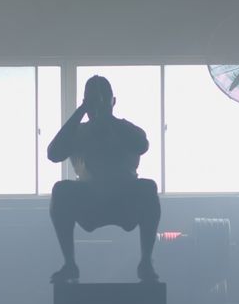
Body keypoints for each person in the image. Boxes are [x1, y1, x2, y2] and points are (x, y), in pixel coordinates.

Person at [47, 75, 161, 284]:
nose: (96, 105)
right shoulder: (78, 131)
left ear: (113, 101)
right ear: (85, 102)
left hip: (125, 199)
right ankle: (69, 263)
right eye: (91, 100)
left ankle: (146, 261)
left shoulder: (126, 129)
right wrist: (81, 111)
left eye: (102, 99)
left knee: (148, 187)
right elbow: (53, 154)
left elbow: (141, 146)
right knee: (60, 190)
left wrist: (108, 118)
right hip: (90, 200)